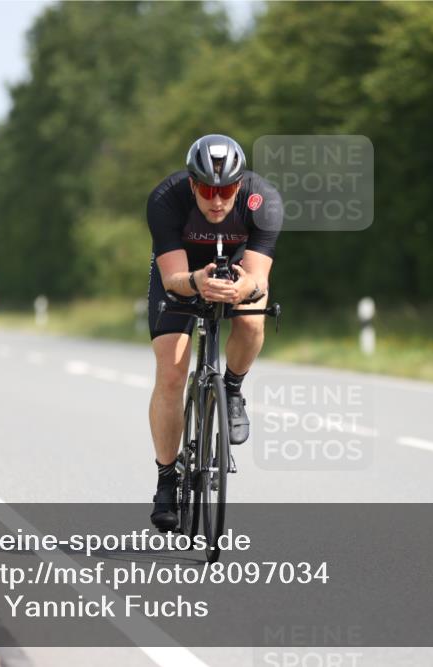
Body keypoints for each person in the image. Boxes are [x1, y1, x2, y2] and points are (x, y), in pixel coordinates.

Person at [145, 133, 283, 531]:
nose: (217, 200)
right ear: (192, 184)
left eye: (226, 190)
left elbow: (257, 279)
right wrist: (197, 282)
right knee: (171, 371)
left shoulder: (264, 201)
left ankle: (233, 389)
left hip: (236, 266)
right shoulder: (166, 199)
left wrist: (243, 290)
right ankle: (166, 479)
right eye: (207, 189)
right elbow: (172, 278)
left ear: (240, 185)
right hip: (184, 271)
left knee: (253, 318)